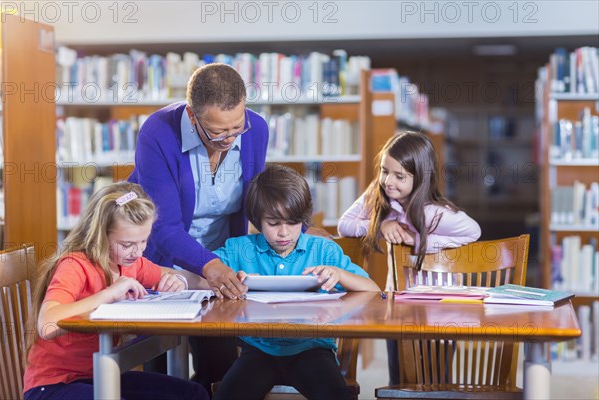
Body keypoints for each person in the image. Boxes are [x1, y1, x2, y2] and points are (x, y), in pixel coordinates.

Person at [128, 63, 269, 392]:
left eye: (237, 127)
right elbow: (162, 226)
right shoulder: (158, 132)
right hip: (162, 261)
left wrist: (299, 227)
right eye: (218, 131)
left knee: (219, 364)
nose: (229, 138)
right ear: (192, 116)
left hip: (219, 260)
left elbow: (256, 198)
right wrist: (208, 266)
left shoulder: (257, 130)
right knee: (159, 370)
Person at [23, 182, 208, 400]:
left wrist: (179, 280)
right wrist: (109, 293)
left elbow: (186, 278)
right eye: (127, 244)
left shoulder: (129, 262)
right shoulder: (75, 264)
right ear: (101, 235)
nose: (137, 252)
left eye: (144, 242)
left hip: (98, 375)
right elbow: (47, 324)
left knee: (192, 394)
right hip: (54, 385)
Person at [212, 164, 380, 400]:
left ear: (303, 219)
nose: (284, 233)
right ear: (257, 219)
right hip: (258, 351)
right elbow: (202, 277)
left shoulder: (323, 250)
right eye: (273, 223)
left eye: (292, 223)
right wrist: (230, 279)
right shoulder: (240, 248)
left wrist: (340, 275)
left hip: (312, 349)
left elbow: (374, 290)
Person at [337, 131, 481, 385]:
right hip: (400, 306)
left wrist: (419, 242)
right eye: (384, 171)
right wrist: (379, 227)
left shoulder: (435, 214)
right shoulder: (378, 194)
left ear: (420, 178)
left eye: (399, 176)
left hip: (440, 312)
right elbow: (344, 225)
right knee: (400, 379)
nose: (388, 181)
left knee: (436, 381)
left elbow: (473, 231)